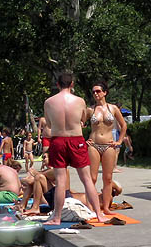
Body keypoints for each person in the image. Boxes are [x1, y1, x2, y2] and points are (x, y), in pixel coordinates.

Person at [44, 72, 106, 224]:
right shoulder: (79, 101)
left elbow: (50, 124)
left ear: (57, 84)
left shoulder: (49, 102)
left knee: (60, 180)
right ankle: (99, 214)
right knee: (86, 180)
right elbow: (83, 119)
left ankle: (57, 217)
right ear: (72, 85)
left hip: (58, 140)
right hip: (76, 139)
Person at [85, 81, 127, 217]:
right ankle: (90, 206)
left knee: (108, 178)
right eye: (93, 92)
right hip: (94, 145)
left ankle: (107, 207)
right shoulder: (90, 110)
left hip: (109, 145)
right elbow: (79, 125)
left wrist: (119, 141)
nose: (96, 94)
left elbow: (123, 125)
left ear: (105, 92)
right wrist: (83, 140)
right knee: (92, 177)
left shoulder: (113, 108)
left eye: (98, 91)